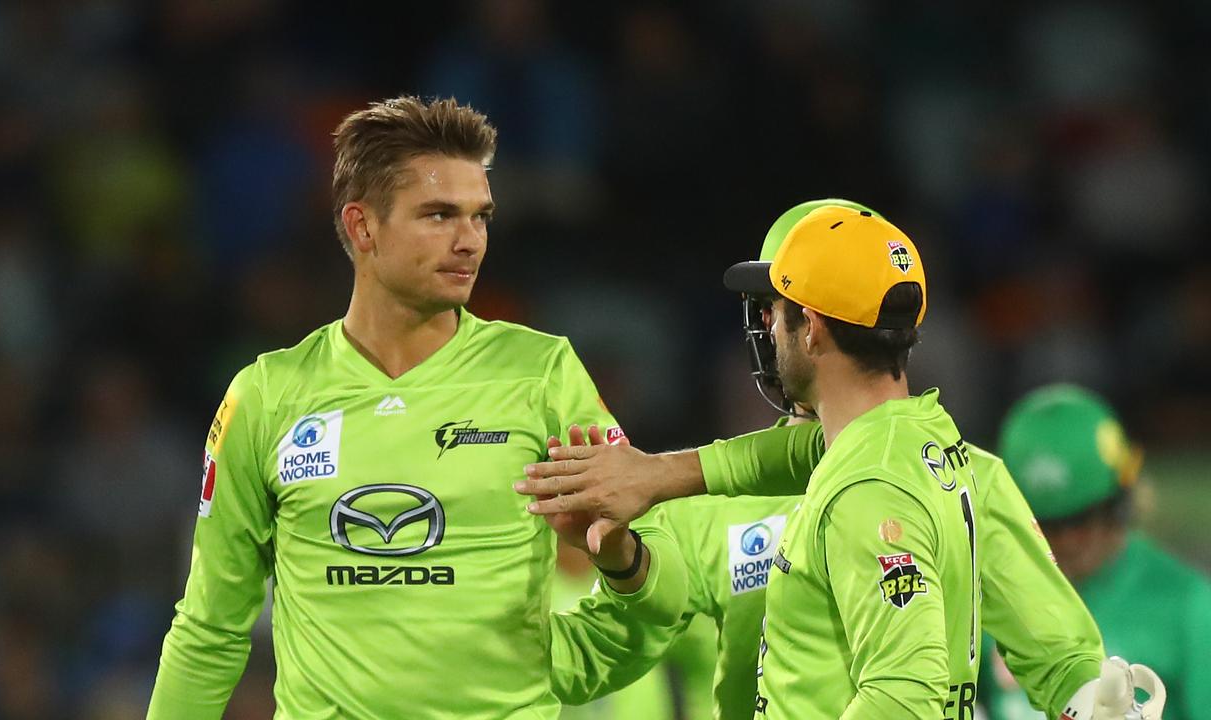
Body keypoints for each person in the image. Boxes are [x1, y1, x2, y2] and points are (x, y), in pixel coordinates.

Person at [146, 96, 686, 719]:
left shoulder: (540, 375)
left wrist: (618, 554)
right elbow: (211, 626)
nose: (470, 241)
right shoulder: (268, 396)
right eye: (438, 215)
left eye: (481, 217)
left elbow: (665, 586)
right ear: (362, 227)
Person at [522, 203, 1166, 718]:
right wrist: (633, 540)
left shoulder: (866, 484)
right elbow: (611, 646)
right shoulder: (940, 464)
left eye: (772, 311)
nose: (765, 331)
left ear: (811, 326)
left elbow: (907, 696)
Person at [981, 384, 1211, 720]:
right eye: (1044, 525)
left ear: (1120, 503)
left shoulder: (1190, 608)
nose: (1065, 542)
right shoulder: (988, 603)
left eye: (1081, 520)